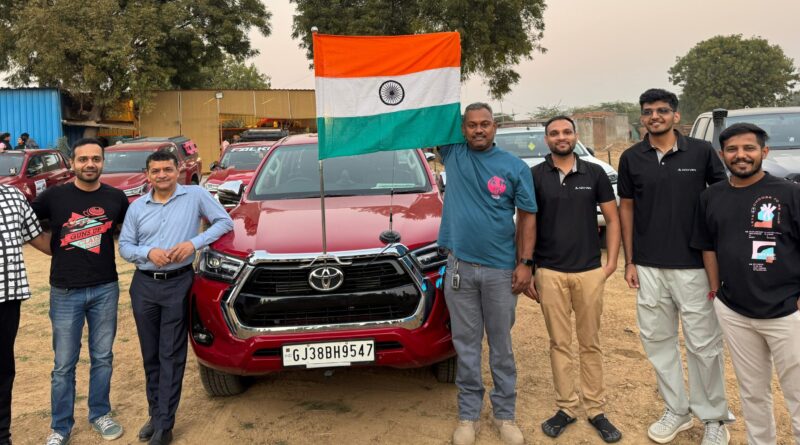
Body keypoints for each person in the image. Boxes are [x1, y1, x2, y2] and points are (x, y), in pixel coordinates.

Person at [617, 88, 732, 444]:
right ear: (642, 118)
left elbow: (723, 200)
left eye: (662, 110)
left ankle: (713, 418)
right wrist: (629, 260)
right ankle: (677, 410)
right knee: (658, 342)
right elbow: (627, 208)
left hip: (694, 265)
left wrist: (721, 257)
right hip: (649, 266)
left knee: (703, 345)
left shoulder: (701, 152)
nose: (655, 116)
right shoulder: (631, 157)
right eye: (648, 111)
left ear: (676, 116)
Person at [692, 123, 800, 445]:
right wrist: (716, 292)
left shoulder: (790, 193)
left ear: (764, 152)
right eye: (733, 149)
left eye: (749, 148)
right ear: (722, 154)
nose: (741, 155)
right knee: (752, 392)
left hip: (787, 311)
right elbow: (708, 246)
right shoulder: (711, 197)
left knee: (797, 392)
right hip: (735, 311)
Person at [437, 102, 537, 445]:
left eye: (485, 124)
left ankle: (504, 414)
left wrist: (526, 263)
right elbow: (436, 112)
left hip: (500, 270)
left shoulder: (514, 166)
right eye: (472, 124)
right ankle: (468, 415)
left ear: (495, 127)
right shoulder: (453, 154)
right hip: (460, 269)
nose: (478, 129)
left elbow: (527, 216)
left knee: (501, 346)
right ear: (462, 129)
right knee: (466, 347)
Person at [119, 151, 233, 445]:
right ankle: (156, 414)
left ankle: (164, 425)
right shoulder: (137, 207)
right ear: (147, 175)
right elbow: (125, 246)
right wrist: (147, 252)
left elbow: (224, 222)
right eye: (155, 171)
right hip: (144, 285)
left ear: (178, 170)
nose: (162, 175)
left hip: (179, 283)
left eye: (167, 169)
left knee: (170, 353)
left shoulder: (195, 195)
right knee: (151, 354)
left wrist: (193, 243)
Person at [526, 116, 622, 443]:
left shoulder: (594, 173)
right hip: (550, 272)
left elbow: (612, 218)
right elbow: (527, 224)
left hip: (589, 271)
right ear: (547, 139)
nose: (561, 137)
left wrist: (611, 263)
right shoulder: (535, 176)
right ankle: (566, 406)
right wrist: (529, 268)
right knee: (559, 342)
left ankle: (596, 409)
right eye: (554, 133)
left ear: (575, 136)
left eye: (567, 132)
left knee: (590, 342)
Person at [33, 138, 129, 445]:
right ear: (72, 163)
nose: (90, 164)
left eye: (95, 159)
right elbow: (25, 222)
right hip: (64, 291)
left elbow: (132, 230)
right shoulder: (54, 196)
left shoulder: (116, 198)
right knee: (63, 365)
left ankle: (100, 413)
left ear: (102, 162)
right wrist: (49, 248)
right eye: (83, 159)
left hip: (105, 288)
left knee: (102, 357)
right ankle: (60, 427)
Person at [0, 185, 51, 445]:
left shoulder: (13, 196)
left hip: (7, 298)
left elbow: (39, 238)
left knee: (3, 368)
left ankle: (2, 435)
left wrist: (78, 238)